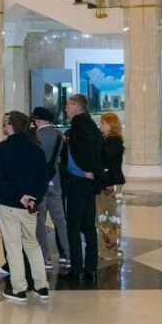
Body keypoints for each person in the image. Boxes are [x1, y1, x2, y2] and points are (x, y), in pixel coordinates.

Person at [0, 111, 51, 303]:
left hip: (9, 204)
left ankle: (19, 288)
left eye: (4, 123)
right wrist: (33, 198)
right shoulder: (36, 149)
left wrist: (20, 196)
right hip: (30, 206)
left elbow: (1, 180)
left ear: (10, 127)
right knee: (32, 244)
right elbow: (43, 179)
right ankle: (41, 286)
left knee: (13, 246)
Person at [62, 94, 104, 282]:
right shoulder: (91, 125)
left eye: (68, 105)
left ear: (77, 106)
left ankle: (76, 268)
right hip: (88, 182)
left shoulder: (79, 125)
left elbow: (85, 151)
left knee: (73, 226)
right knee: (88, 225)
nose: (66, 108)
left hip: (78, 182)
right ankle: (90, 266)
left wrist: (87, 169)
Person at [31, 107, 69, 269]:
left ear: (37, 120)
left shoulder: (35, 136)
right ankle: (69, 254)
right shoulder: (59, 135)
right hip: (55, 181)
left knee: (40, 221)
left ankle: (44, 256)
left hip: (39, 183)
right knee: (60, 220)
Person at [98, 113, 126, 257]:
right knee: (107, 216)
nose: (100, 126)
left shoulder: (113, 141)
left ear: (111, 125)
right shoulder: (108, 140)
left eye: (103, 123)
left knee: (109, 217)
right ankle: (108, 247)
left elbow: (102, 157)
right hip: (108, 182)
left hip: (111, 183)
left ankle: (109, 249)